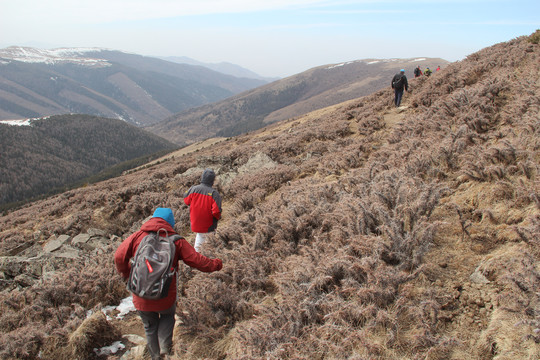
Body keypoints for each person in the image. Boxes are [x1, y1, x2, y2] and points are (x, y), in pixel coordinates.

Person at [114, 207, 223, 360]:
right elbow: (197, 261)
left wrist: (127, 274)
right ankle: (165, 349)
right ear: (170, 223)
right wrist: (217, 264)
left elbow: (119, 257)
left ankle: (155, 356)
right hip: (165, 294)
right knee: (167, 316)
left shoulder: (137, 236)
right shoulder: (176, 240)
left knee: (149, 326)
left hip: (140, 293)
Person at [183, 169, 222, 252]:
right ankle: (207, 258)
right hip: (209, 225)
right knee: (209, 244)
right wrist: (217, 218)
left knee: (199, 238)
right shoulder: (214, 193)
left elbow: (186, 200)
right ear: (213, 180)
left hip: (195, 223)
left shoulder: (193, 189)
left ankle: (196, 259)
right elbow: (216, 211)